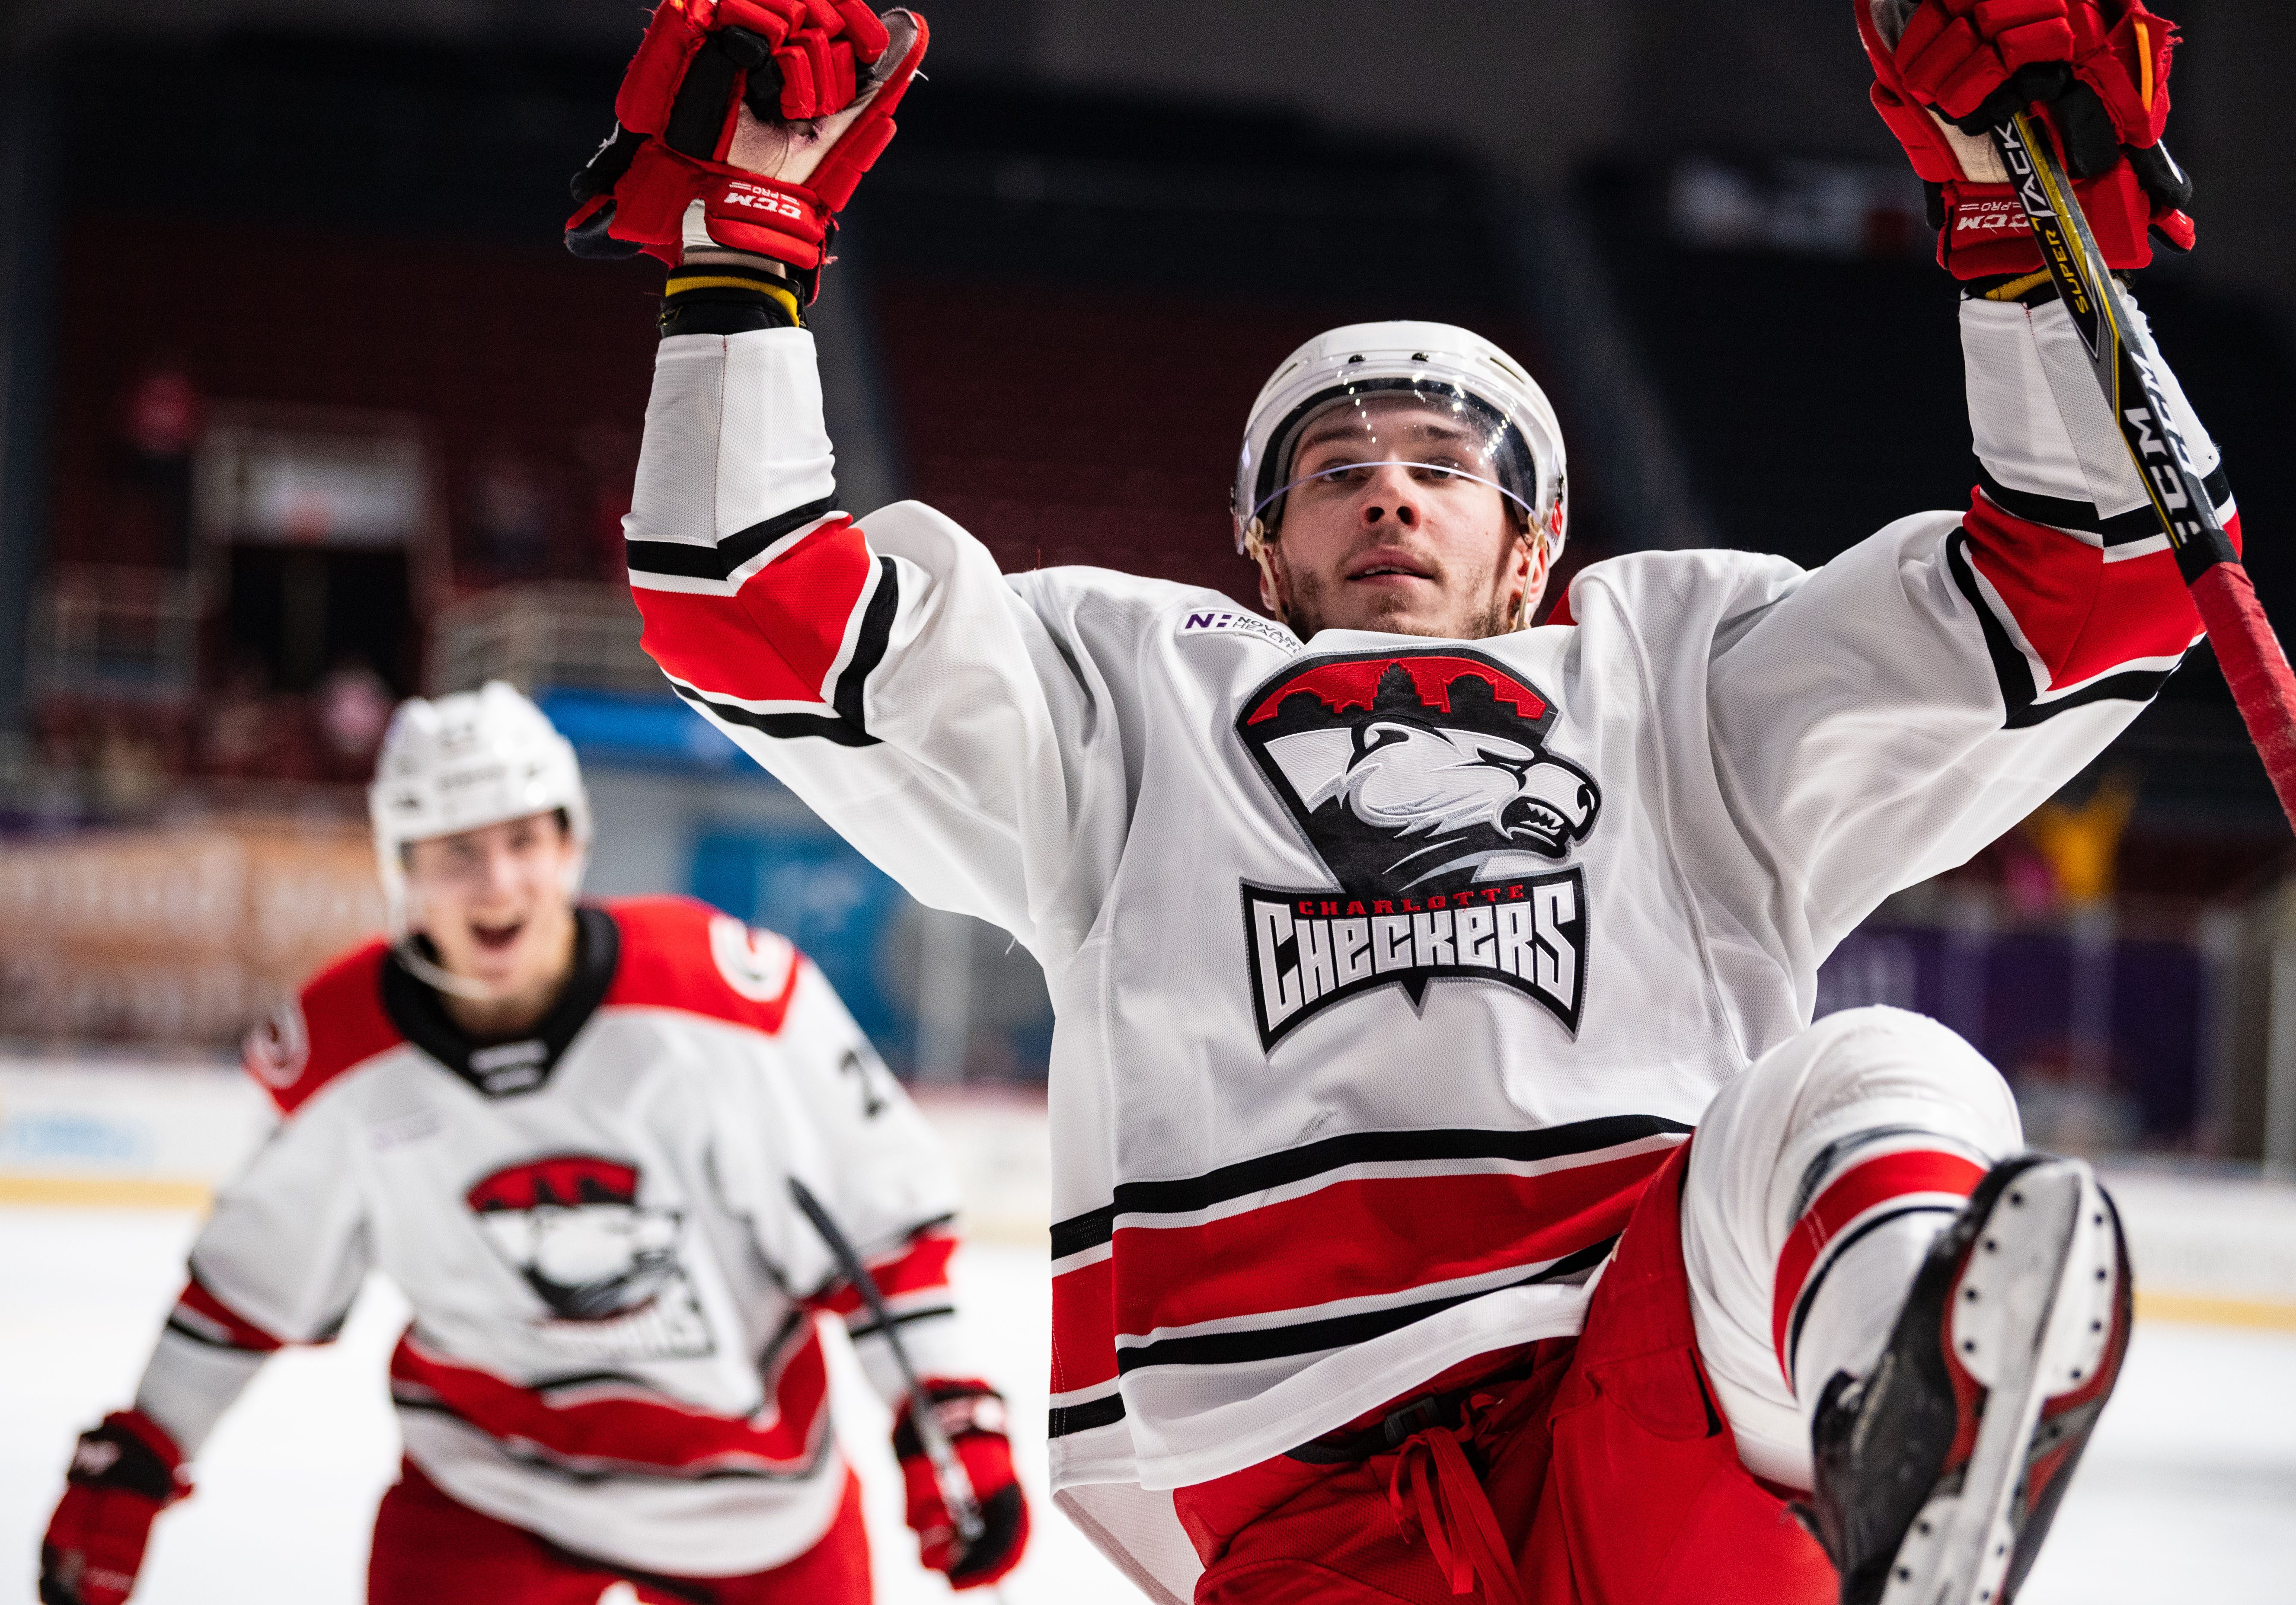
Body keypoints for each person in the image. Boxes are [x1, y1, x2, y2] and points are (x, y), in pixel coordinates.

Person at [577, 0, 2207, 1599]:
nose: (1385, 491)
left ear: (1530, 548)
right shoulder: (1123, 700)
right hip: (1312, 1495)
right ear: (1261, 551)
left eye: (1445, 465)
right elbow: (749, 606)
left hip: (1657, 1399)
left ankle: (1902, 1461)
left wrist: (2029, 238)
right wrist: (744, 240)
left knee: (1878, 1077)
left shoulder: (1677, 684)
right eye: (1332, 474)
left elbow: (2091, 592)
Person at [38, 681, 1028, 1605]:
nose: (497, 881)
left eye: (522, 838)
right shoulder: (345, 1055)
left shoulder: (728, 1008)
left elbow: (883, 1226)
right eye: (456, 850)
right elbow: (251, 1280)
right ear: (403, 869)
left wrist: (947, 1411)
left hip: (751, 1502)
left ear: (571, 844)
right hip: (484, 1489)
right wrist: (143, 1448)